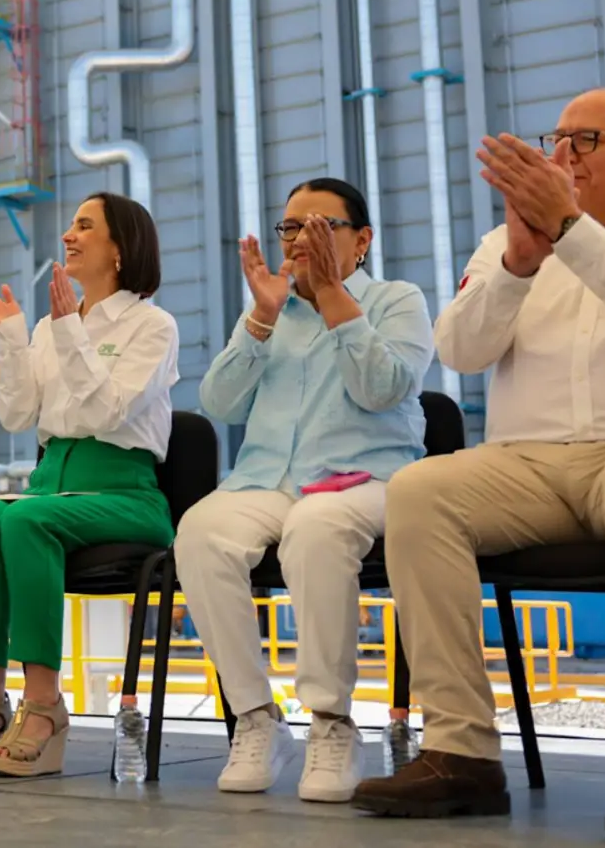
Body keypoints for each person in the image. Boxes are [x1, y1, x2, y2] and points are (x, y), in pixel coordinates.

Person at [352, 89, 605, 840]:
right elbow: (461, 350)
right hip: (529, 464)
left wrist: (573, 231)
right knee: (421, 490)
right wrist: (516, 263)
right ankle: (461, 754)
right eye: (557, 138)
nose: (563, 154)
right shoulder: (504, 242)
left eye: (587, 139)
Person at [175, 178, 434, 802]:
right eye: (290, 228)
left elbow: (383, 389)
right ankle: (256, 717)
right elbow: (219, 403)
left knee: (316, 528)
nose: (298, 240)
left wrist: (334, 297)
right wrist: (261, 318)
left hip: (367, 479)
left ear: (362, 239)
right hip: (270, 479)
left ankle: (331, 721)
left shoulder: (397, 300)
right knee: (201, 531)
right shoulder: (274, 310)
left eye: (320, 227)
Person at [0, 192, 178, 778]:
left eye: (85, 226)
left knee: (25, 519)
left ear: (121, 249)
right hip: (52, 485)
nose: (69, 235)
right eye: (71, 225)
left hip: (125, 493)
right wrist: (11, 336)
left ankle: (44, 705)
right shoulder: (51, 328)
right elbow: (16, 415)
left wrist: (70, 332)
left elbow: (106, 412)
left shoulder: (152, 325)